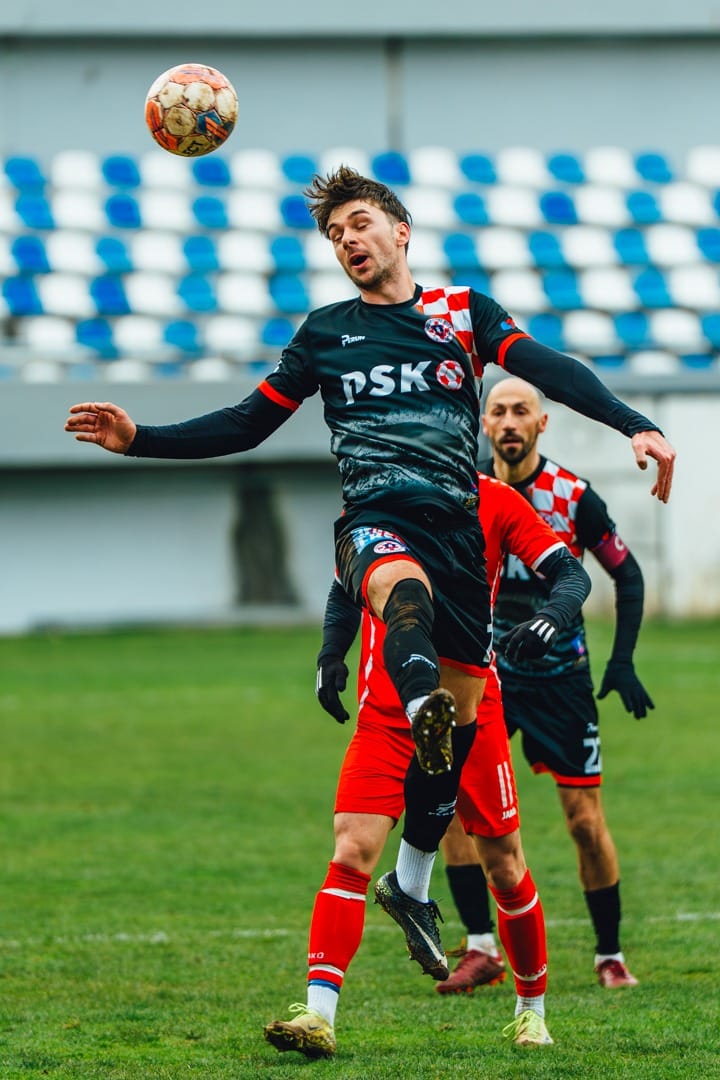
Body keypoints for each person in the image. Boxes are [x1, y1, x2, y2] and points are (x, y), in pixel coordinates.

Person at [65, 164, 673, 1006]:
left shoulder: (462, 314)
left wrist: (635, 424)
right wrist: (141, 439)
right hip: (375, 526)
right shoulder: (325, 333)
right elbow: (248, 422)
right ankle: (420, 710)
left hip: (459, 541)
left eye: (358, 224)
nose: (347, 240)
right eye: (334, 234)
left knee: (458, 726)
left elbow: (551, 367)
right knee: (401, 595)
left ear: (400, 231)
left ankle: (413, 883)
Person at [264, 471, 591, 1057]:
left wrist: (553, 617)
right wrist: (331, 652)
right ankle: (318, 1015)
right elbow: (346, 579)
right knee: (351, 848)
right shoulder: (376, 490)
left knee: (504, 863)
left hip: (471, 709)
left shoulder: (496, 500)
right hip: (387, 712)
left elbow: (571, 573)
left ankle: (531, 1013)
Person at [437, 375, 652, 994]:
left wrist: (621, 661)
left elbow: (627, 575)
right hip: (484, 678)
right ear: (483, 423)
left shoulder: (573, 497)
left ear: (541, 423)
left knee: (583, 820)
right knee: (453, 810)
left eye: (521, 411)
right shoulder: (461, 492)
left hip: (560, 680)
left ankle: (609, 954)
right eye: (498, 411)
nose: (509, 422)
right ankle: (482, 947)